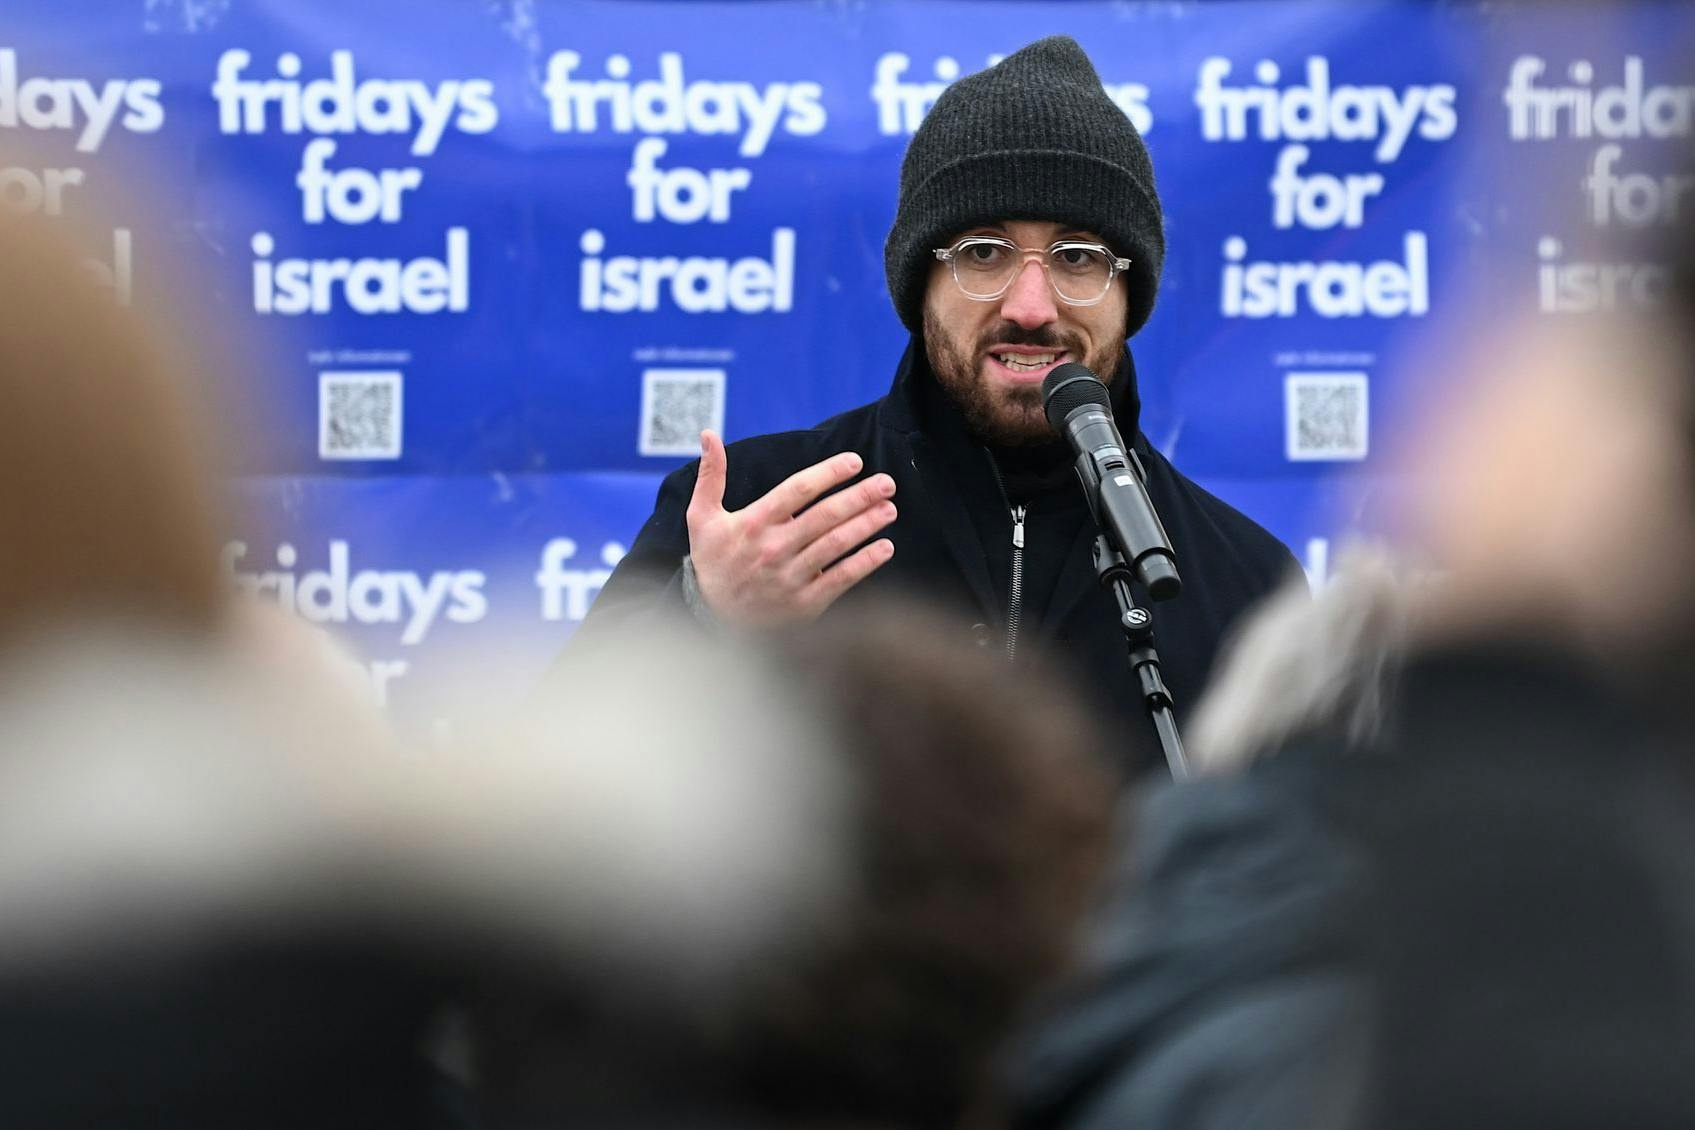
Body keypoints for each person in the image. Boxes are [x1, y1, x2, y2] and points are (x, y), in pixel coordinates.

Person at [577, 36, 1297, 770]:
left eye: (1077, 257)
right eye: (983, 252)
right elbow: (560, 790)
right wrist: (706, 616)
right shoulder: (758, 512)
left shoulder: (1243, 579)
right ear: (919, 285)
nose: (1030, 305)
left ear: (1129, 293)